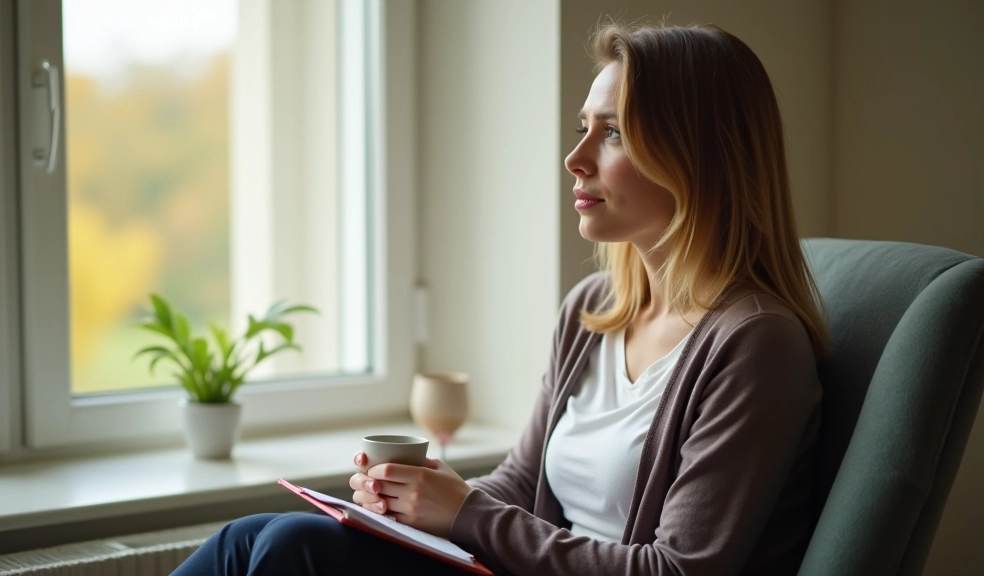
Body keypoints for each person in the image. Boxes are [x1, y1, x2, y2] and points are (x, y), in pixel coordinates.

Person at [172, 22, 828, 576]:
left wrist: (465, 512)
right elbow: (519, 484)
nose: (575, 158)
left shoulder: (756, 343)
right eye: (583, 128)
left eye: (614, 133)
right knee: (249, 538)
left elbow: (678, 568)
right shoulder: (591, 310)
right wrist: (412, 502)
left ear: (701, 155)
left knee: (293, 550)